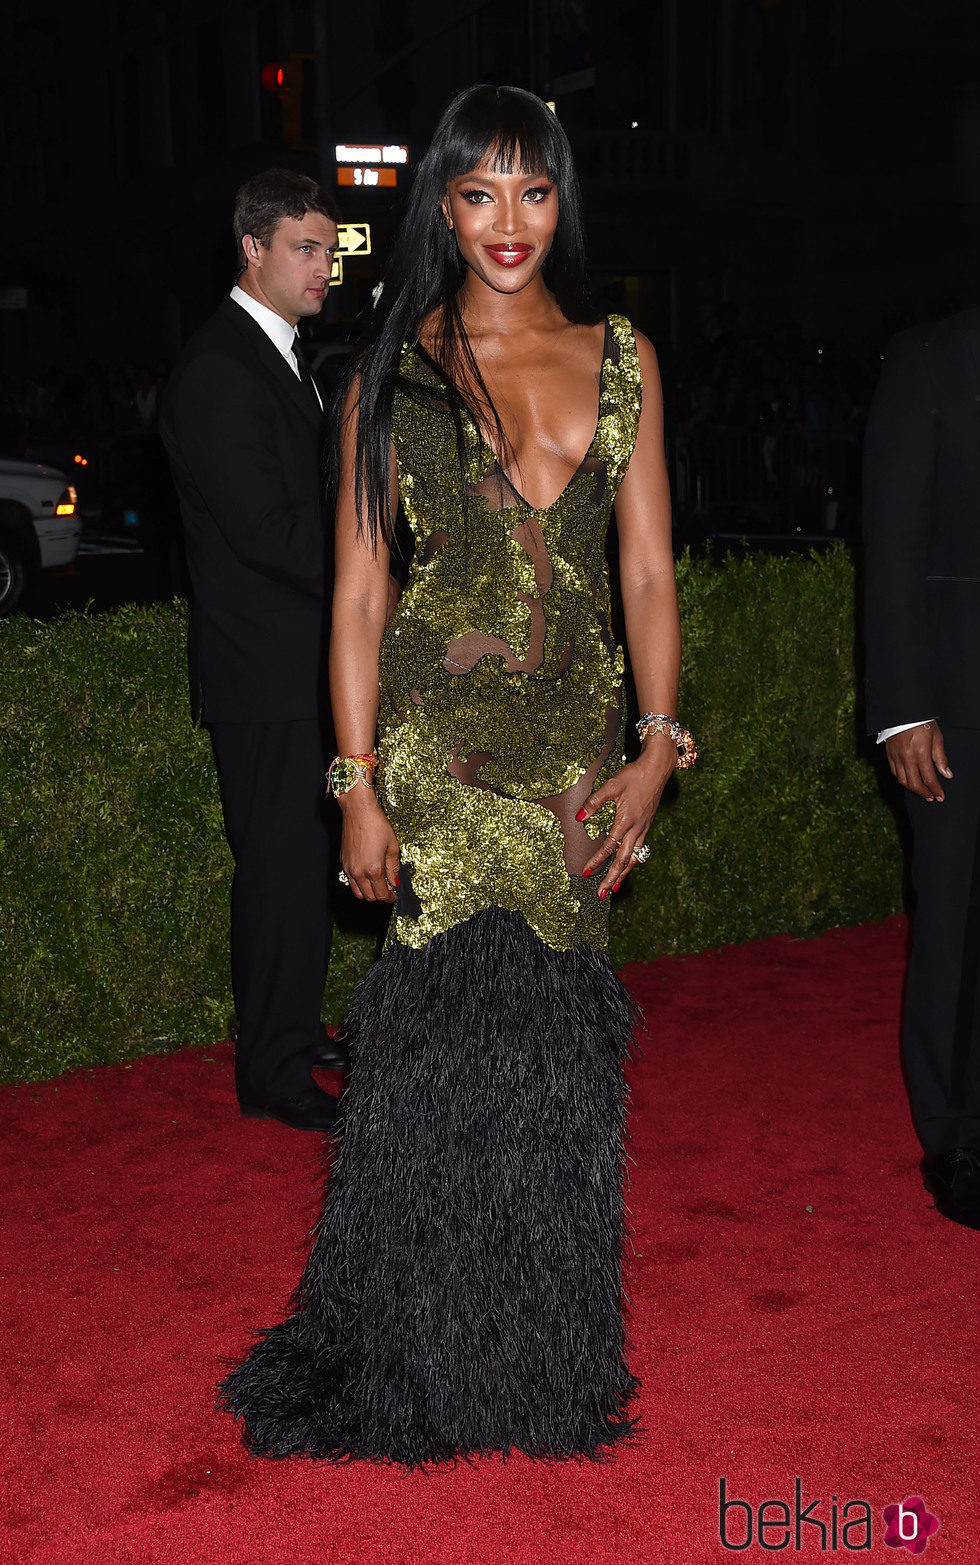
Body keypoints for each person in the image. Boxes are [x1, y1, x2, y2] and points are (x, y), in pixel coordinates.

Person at [219, 85, 692, 1462]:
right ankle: (419, 1358)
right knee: (439, 1059)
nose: (507, 223)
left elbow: (650, 569)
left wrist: (660, 746)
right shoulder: (389, 371)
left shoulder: (625, 361)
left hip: (577, 755)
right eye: (477, 193)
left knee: (554, 1055)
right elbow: (360, 600)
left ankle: (535, 1360)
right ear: (438, 202)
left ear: (563, 203)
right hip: (437, 742)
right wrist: (358, 780)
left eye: (533, 193)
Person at [160, 169, 347, 1133]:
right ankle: (270, 1072)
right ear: (254, 248)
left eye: (330, 248)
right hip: (264, 670)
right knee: (278, 863)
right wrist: (374, 562)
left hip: (295, 665)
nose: (326, 266)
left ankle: (293, 1028)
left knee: (307, 858)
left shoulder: (276, 356)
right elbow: (268, 532)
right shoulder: (220, 369)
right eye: (307, 248)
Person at [863, 308, 980, 1229]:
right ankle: (954, 1135)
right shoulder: (934, 357)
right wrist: (902, 707)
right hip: (955, 699)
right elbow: (890, 543)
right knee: (954, 910)